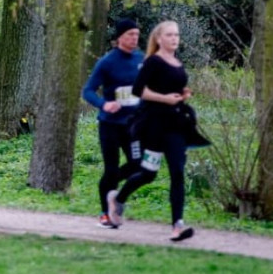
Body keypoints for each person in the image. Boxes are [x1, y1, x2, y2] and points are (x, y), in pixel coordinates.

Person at [106, 20, 199, 242]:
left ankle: (177, 225)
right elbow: (139, 90)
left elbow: (172, 87)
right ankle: (118, 198)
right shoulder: (153, 62)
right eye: (169, 35)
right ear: (159, 39)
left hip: (175, 126)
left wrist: (182, 94)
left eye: (176, 34)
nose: (174, 38)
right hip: (154, 127)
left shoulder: (177, 62)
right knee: (149, 174)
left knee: (177, 171)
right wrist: (164, 99)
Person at [82, 19, 144, 229]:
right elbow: (88, 91)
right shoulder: (107, 62)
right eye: (130, 35)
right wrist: (103, 104)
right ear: (119, 38)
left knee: (138, 165)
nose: (134, 38)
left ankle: (114, 194)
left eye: (136, 34)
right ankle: (105, 213)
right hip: (110, 125)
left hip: (133, 125)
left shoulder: (140, 58)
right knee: (111, 170)